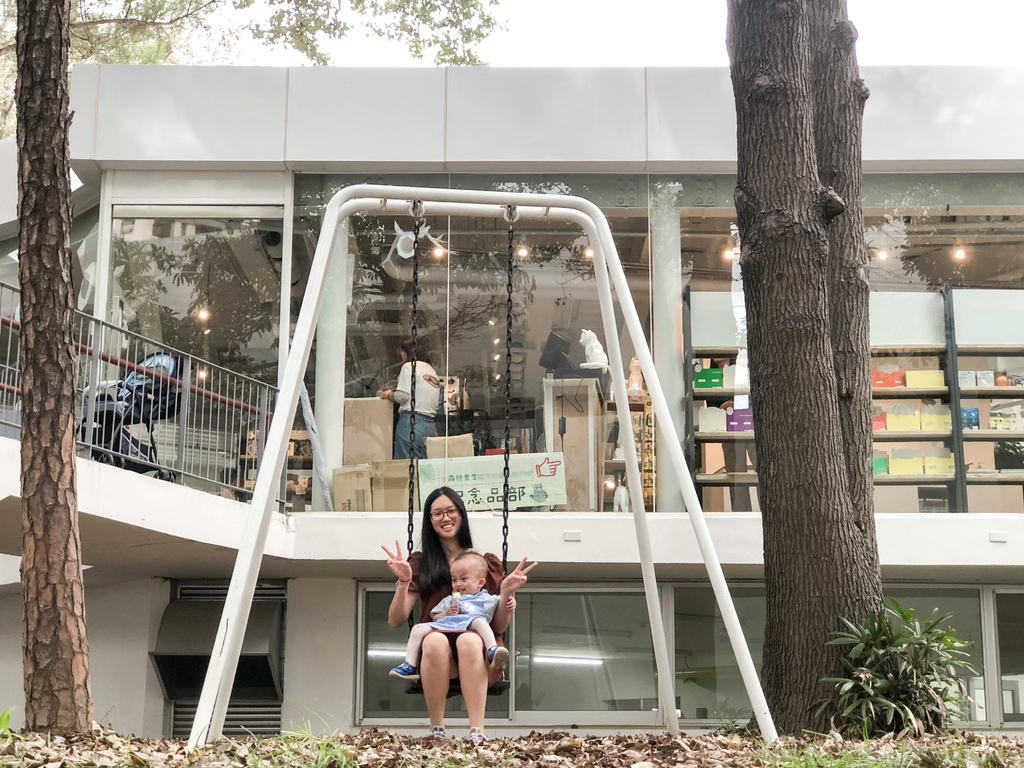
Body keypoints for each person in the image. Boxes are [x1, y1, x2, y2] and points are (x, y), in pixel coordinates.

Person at [382, 487, 537, 745]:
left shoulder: (483, 563)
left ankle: (477, 729)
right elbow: (396, 619)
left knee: (470, 640)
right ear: (429, 520)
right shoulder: (422, 563)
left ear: (461, 514)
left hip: (476, 649)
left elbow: (497, 624)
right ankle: (437, 728)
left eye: (450, 511)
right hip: (437, 648)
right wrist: (404, 579)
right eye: (437, 513)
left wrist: (506, 594)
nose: (445, 518)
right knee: (433, 640)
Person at [389, 550, 510, 681]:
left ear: (480, 583)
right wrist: (446, 613)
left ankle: (492, 649)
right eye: (454, 580)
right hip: (447, 625)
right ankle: (410, 664)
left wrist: (509, 601)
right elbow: (435, 616)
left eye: (463, 579)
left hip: (469, 624)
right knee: (418, 629)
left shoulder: (485, 598)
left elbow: (501, 601)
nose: (458, 584)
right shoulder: (450, 600)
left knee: (480, 621)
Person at [378, 336, 441, 459]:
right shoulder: (431, 370)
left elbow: (403, 396)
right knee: (424, 470)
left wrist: (388, 394)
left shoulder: (408, 367)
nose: (401, 357)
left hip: (412, 422)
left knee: (405, 469)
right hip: (430, 426)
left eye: (401, 353)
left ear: (406, 352)